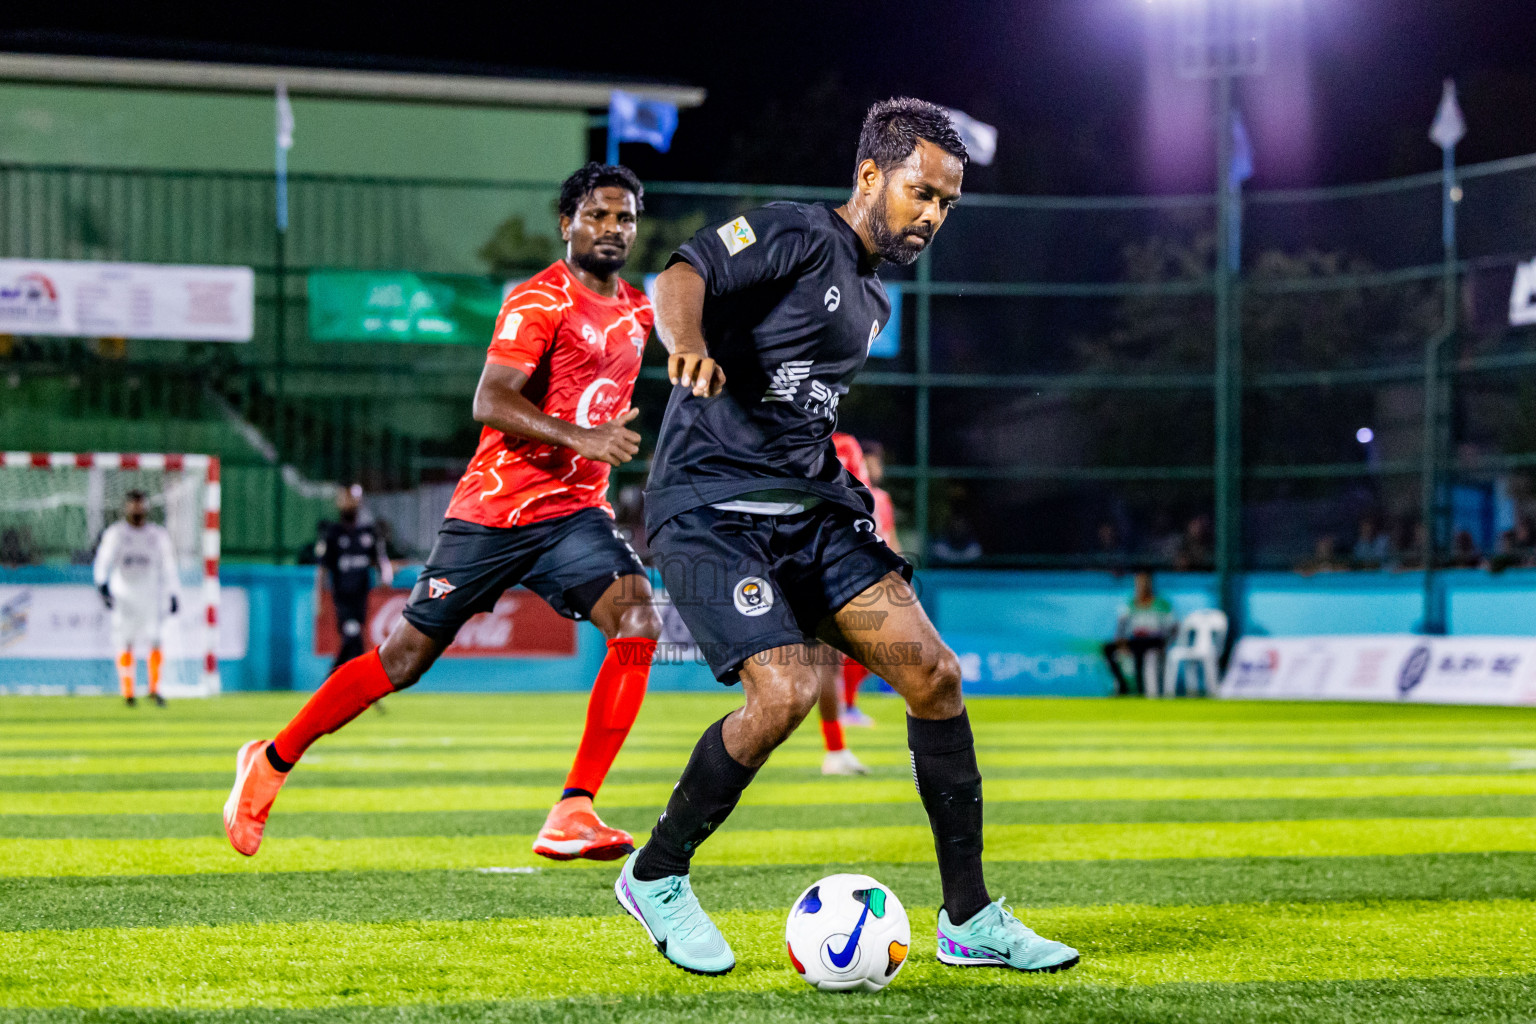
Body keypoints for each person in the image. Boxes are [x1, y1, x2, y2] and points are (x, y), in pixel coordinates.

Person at [615, 98, 1078, 977]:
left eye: (946, 203)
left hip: (813, 514)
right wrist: (683, 343)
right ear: (871, 175)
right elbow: (682, 271)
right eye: (921, 193)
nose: (932, 215)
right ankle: (659, 872)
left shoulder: (872, 297)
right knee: (783, 692)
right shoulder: (792, 233)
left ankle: (970, 920)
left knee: (934, 676)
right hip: (710, 511)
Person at [225, 162, 663, 864]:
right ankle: (271, 760)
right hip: (494, 509)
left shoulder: (640, 312)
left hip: (576, 514)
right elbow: (490, 400)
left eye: (625, 219)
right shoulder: (537, 300)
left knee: (639, 619)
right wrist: (582, 438)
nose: (613, 230)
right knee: (402, 659)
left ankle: (574, 807)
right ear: (567, 223)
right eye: (598, 216)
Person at [93, 490, 180, 707]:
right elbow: (103, 561)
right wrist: (102, 585)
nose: (137, 509)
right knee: (125, 642)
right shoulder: (116, 533)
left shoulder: (157, 535)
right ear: (126, 507)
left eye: (140, 505)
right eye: (133, 505)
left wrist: (173, 593)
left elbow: (169, 566)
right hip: (124, 596)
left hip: (151, 596)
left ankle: (154, 689)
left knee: (156, 640)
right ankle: (128, 692)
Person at [833, 434, 895, 730]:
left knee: (874, 650)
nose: (878, 466)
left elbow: (889, 538)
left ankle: (845, 708)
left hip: (874, 575)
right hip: (847, 573)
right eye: (876, 460)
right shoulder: (848, 484)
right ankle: (842, 712)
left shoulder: (881, 498)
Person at [315, 484, 394, 672]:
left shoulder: (368, 533)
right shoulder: (334, 533)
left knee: (354, 641)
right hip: (342, 598)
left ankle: (335, 682)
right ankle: (339, 680)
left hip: (361, 597)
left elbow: (380, 561)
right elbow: (323, 568)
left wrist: (386, 578)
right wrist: (318, 598)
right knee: (353, 638)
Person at [1100, 570, 1177, 697]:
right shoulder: (1131, 603)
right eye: (1138, 583)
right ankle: (1122, 685)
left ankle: (1141, 690)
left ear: (1150, 585)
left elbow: (1173, 627)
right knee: (1108, 648)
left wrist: (1166, 643)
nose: (1141, 586)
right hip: (1135, 639)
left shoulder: (1161, 603)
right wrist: (1120, 639)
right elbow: (1122, 623)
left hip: (1154, 639)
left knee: (1139, 647)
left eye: (1144, 583)